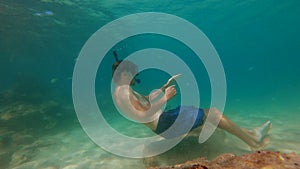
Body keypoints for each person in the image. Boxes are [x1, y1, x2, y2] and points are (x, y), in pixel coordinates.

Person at [112, 59, 271, 149]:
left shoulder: (121, 91)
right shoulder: (124, 92)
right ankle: (254, 141)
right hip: (165, 123)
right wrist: (165, 98)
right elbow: (142, 115)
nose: (136, 78)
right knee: (213, 114)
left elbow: (145, 101)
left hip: (164, 121)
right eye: (134, 74)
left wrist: (164, 86)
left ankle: (250, 133)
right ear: (125, 73)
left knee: (207, 113)